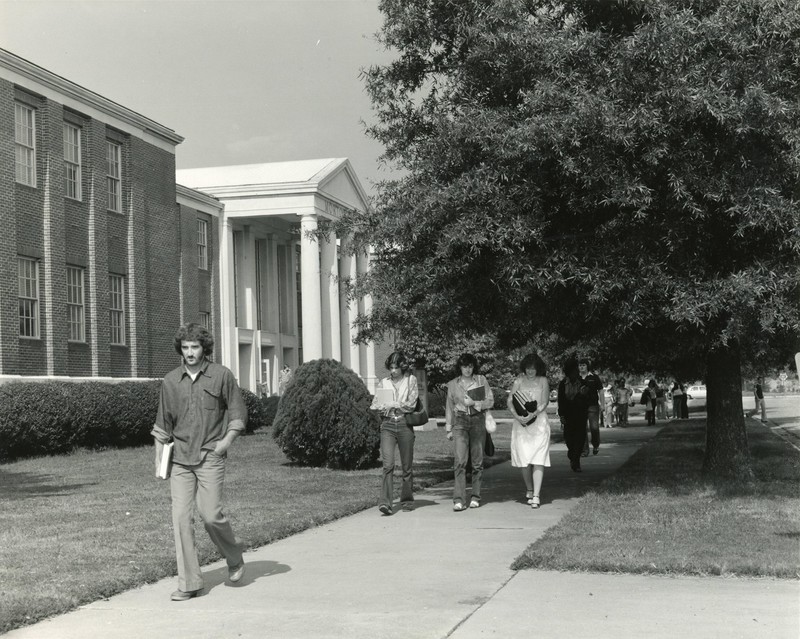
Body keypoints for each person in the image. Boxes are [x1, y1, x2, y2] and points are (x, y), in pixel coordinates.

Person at [151, 323, 248, 602]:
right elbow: (162, 425)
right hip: (180, 459)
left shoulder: (221, 376)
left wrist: (224, 444)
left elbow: (238, 414)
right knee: (181, 518)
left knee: (210, 515)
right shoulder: (171, 381)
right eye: (185, 347)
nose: (190, 352)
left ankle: (234, 556)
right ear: (180, 350)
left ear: (205, 348)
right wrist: (160, 460)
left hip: (209, 455)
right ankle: (190, 583)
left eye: (195, 347)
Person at [370, 351, 419, 515]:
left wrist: (395, 404)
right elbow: (375, 404)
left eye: (396, 367)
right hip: (388, 425)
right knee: (388, 464)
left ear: (402, 367)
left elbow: (412, 404)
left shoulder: (411, 380)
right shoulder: (383, 383)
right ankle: (385, 503)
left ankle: (407, 500)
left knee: (407, 466)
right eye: (391, 367)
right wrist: (384, 406)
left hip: (405, 424)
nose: (393, 371)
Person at [445, 353, 494, 511]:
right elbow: (449, 406)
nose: (467, 369)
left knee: (477, 461)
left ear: (474, 367)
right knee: (460, 461)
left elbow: (490, 401)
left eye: (470, 366)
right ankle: (459, 499)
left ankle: (475, 496)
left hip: (478, 420)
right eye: (464, 366)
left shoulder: (481, 380)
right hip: (460, 421)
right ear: (460, 367)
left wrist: (475, 402)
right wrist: (448, 428)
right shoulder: (453, 384)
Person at [507, 353, 550, 508]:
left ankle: (537, 495)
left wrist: (533, 414)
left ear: (538, 368)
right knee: (525, 460)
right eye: (528, 368)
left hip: (539, 423)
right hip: (521, 424)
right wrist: (517, 417)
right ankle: (529, 489)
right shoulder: (518, 380)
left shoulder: (543, 380)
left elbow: (544, 401)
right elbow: (510, 400)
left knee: (539, 459)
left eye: (533, 368)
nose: (531, 371)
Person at [558, 357, 589, 472]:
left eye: (577, 370)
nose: (576, 372)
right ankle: (572, 454)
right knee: (569, 439)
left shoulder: (583, 383)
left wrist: (582, 395)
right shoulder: (563, 384)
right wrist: (561, 415)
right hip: (568, 416)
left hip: (580, 415)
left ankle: (576, 462)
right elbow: (561, 400)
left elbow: (586, 400)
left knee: (580, 439)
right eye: (573, 370)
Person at [578, 358, 603, 455]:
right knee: (582, 429)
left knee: (594, 428)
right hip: (580, 407)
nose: (582, 367)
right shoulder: (576, 378)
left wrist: (603, 404)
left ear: (587, 366)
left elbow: (600, 391)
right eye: (580, 365)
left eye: (583, 365)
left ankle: (595, 444)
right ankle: (584, 450)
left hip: (593, 406)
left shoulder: (594, 377)